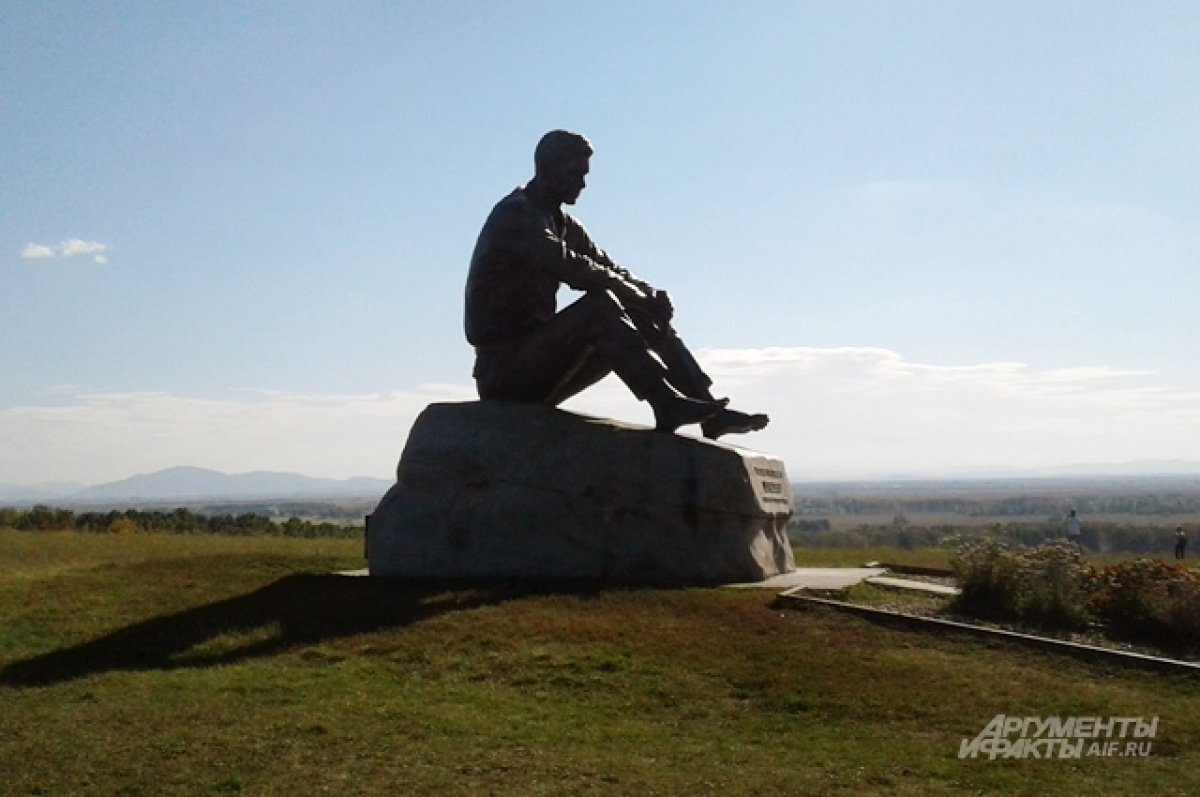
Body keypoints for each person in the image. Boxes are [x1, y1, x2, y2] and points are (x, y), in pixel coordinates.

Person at [464, 130, 769, 438]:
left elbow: (609, 267)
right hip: (504, 372)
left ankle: (707, 410)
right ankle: (665, 401)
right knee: (600, 306)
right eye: (574, 173)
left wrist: (649, 296)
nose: (582, 183)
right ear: (546, 167)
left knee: (639, 311)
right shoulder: (517, 214)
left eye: (584, 174)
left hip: (541, 367)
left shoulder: (565, 224)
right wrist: (638, 295)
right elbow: (574, 269)